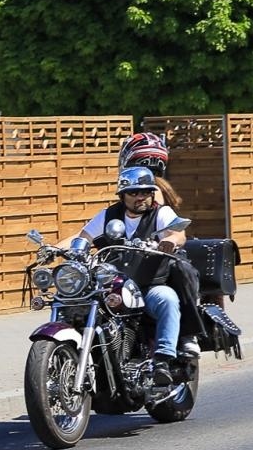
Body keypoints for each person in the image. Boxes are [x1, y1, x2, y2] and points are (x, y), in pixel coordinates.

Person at [76, 165, 201, 385]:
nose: (141, 197)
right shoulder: (108, 215)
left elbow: (178, 233)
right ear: (123, 195)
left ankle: (163, 359)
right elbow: (84, 236)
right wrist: (69, 251)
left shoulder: (161, 213)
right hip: (114, 286)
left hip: (149, 286)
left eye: (146, 192)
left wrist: (170, 240)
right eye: (134, 192)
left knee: (167, 299)